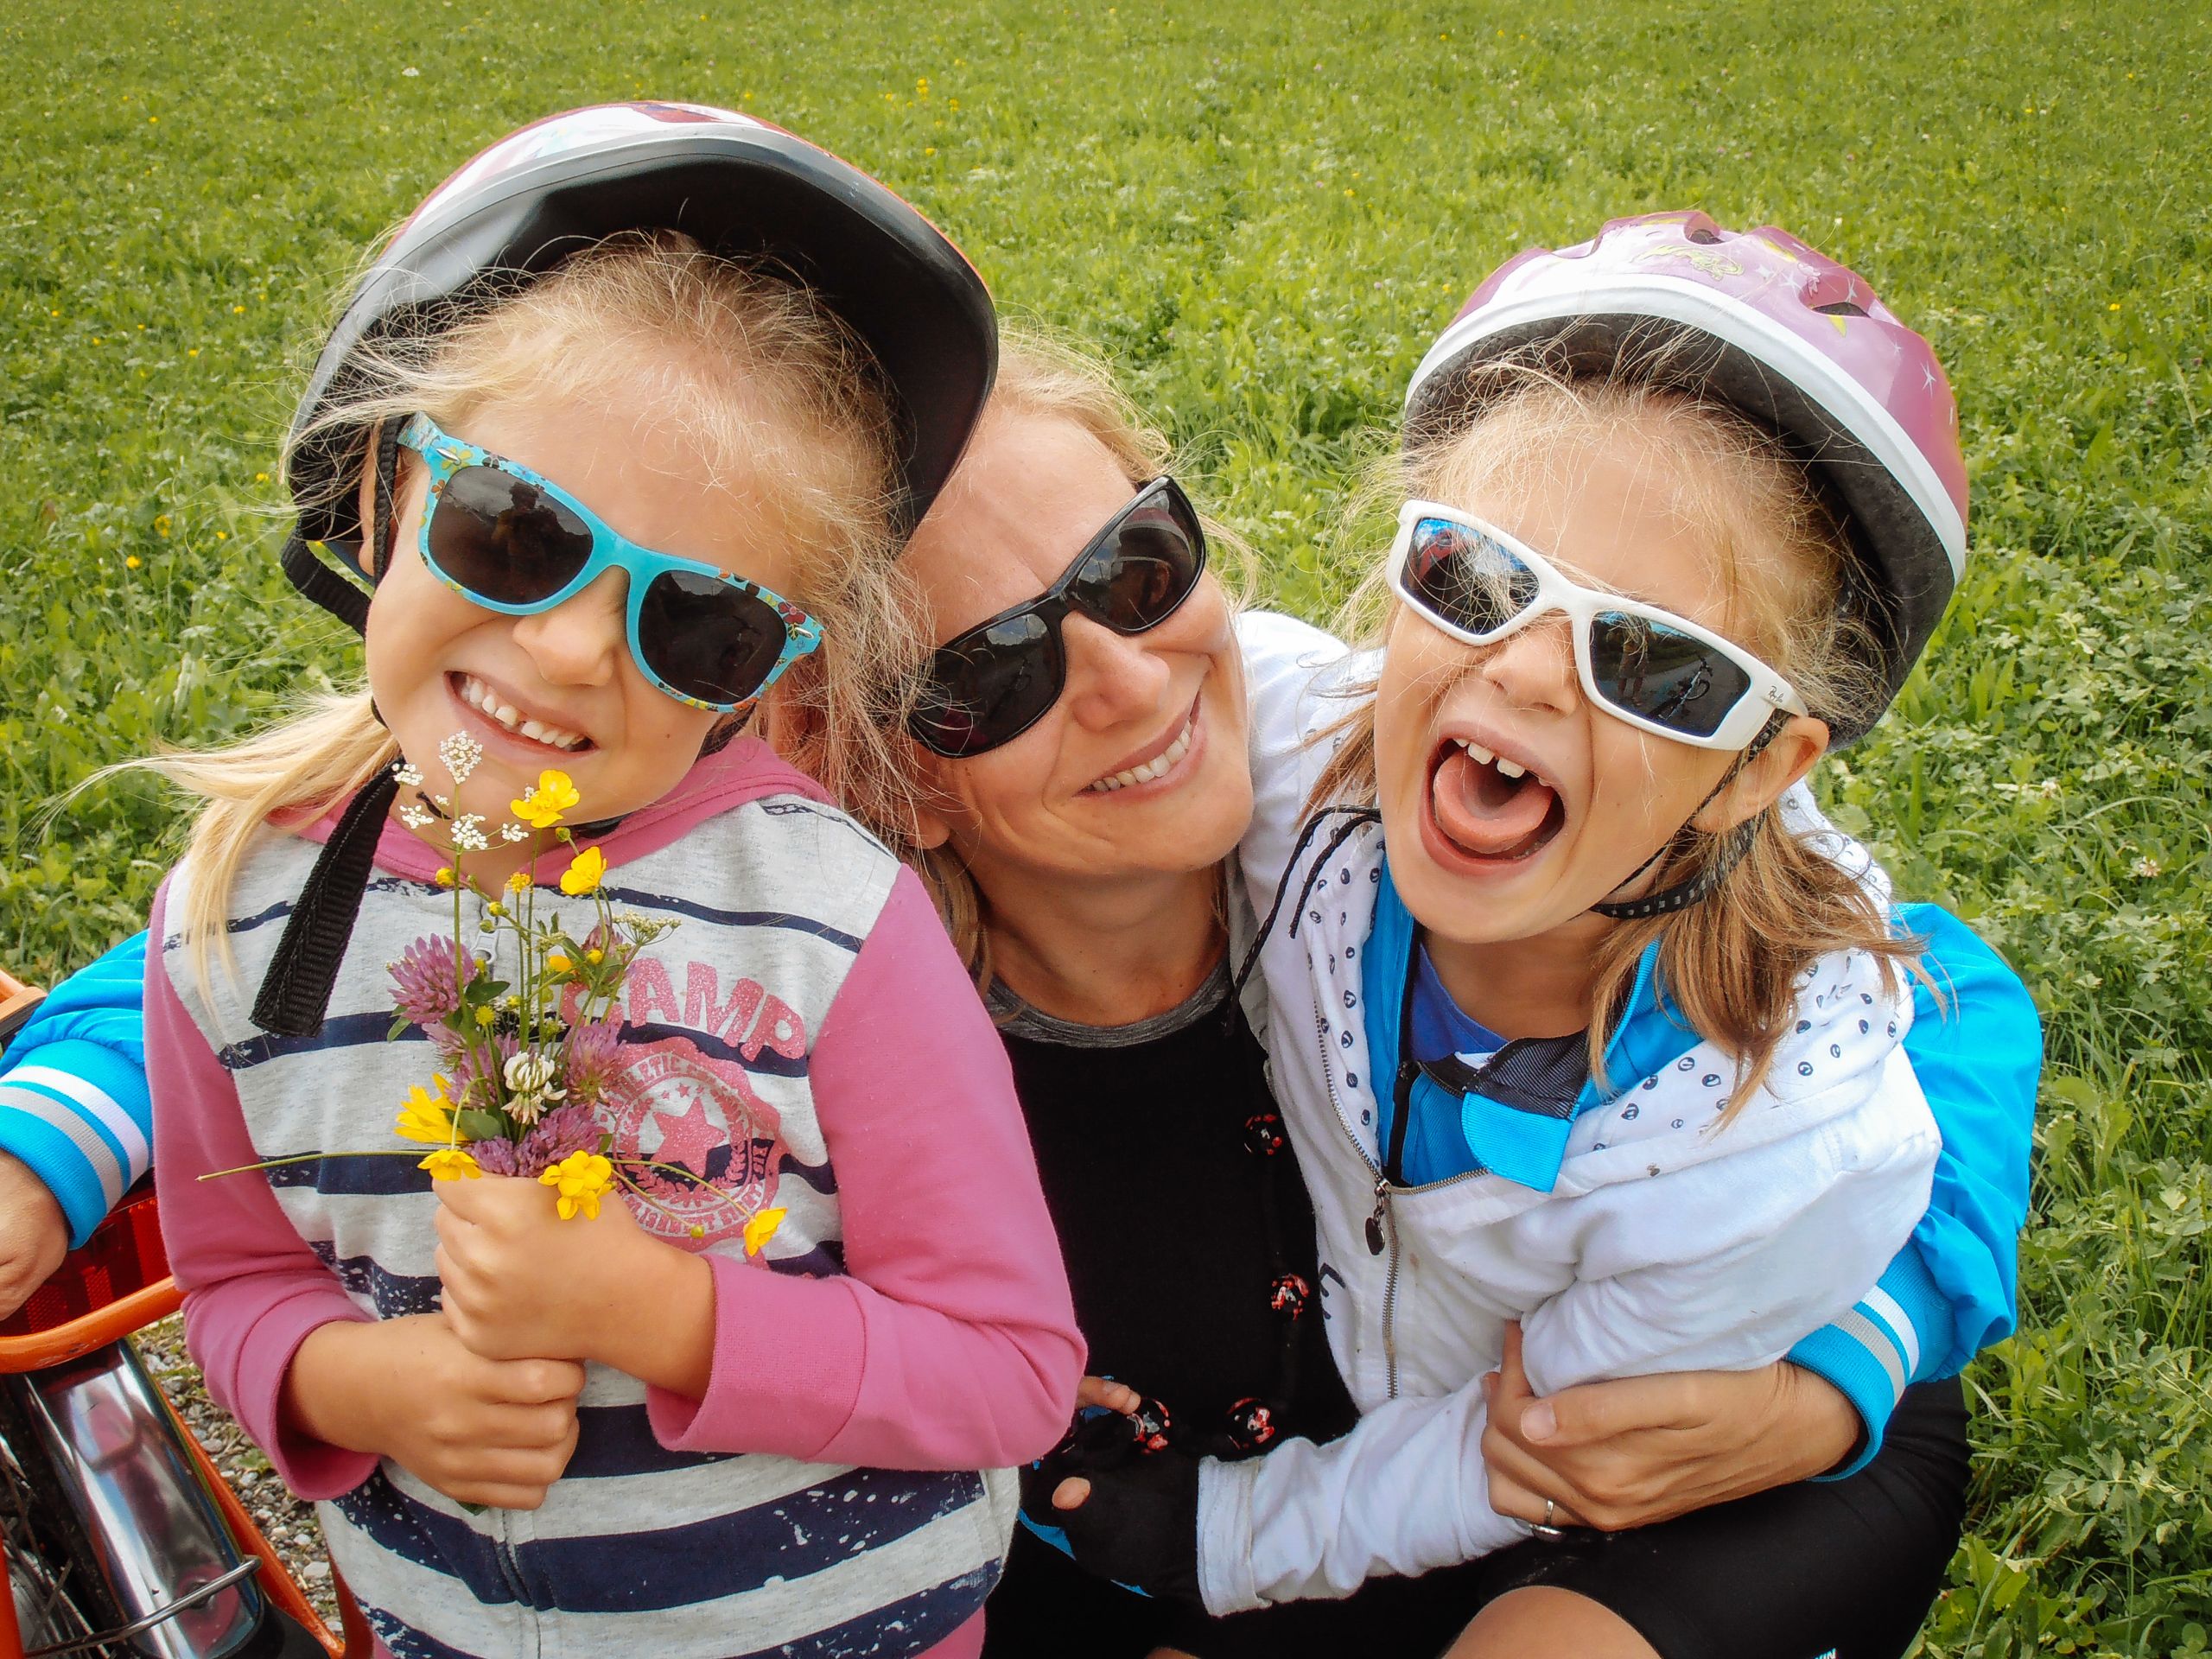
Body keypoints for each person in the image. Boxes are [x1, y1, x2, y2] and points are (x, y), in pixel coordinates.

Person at [0, 265, 2035, 1658]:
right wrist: (56, 1119)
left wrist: (1855, 1362)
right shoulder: (834, 977)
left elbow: (1906, 986)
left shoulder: (1337, 765)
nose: (1127, 679)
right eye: (985, 673)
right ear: (851, 757)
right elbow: (359, 894)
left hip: (1617, 1457)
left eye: (1138, 566)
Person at [131, 105, 1081, 1659]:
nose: (572, 648)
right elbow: (235, 1282)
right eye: (514, 533)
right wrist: (358, 1385)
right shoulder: (234, 922)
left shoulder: (830, 922)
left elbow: (1010, 1369)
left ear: (768, 674)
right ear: (381, 492)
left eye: (697, 623)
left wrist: (662, 1317)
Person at [1033, 213, 2041, 1659]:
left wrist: (1227, 1539)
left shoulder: (1769, 1148)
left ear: (1760, 770)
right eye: (1478, 577)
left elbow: (1521, 1447)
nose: (1522, 669)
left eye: (1657, 663)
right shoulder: (1288, 763)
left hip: (1668, 1473)